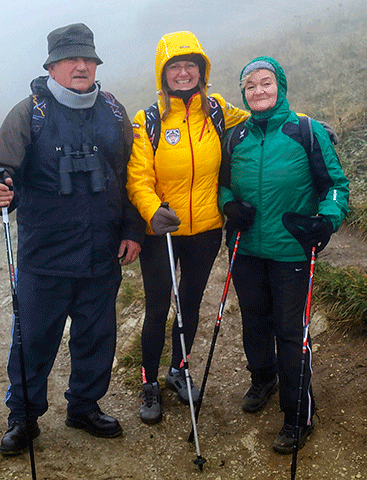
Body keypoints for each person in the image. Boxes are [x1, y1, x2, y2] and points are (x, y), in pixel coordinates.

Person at [0, 23, 145, 455]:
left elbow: (131, 177)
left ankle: (84, 406)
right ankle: (23, 418)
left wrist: (132, 230)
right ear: (52, 66)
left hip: (101, 252)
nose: (81, 66)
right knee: (32, 339)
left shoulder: (113, 111)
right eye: (72, 59)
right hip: (45, 256)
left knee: (97, 334)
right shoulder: (28, 113)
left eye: (88, 59)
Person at [218, 56, 349, 453]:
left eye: (266, 83)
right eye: (250, 85)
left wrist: (325, 221)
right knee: (255, 321)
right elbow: (224, 186)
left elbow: (336, 187)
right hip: (245, 250)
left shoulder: (306, 131)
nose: (259, 91)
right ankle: (263, 379)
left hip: (291, 249)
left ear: (281, 86)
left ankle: (298, 414)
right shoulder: (236, 137)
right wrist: (229, 207)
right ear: (243, 92)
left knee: (292, 334)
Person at [126, 31, 250, 425]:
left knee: (191, 304)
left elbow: (262, 116)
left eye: (190, 66)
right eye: (174, 67)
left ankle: (178, 369)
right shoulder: (147, 120)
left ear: (202, 70)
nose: (183, 73)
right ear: (163, 74)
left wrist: (309, 125)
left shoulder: (216, 111)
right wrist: (151, 210)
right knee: (158, 307)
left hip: (207, 230)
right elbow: (138, 179)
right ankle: (149, 382)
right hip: (161, 231)